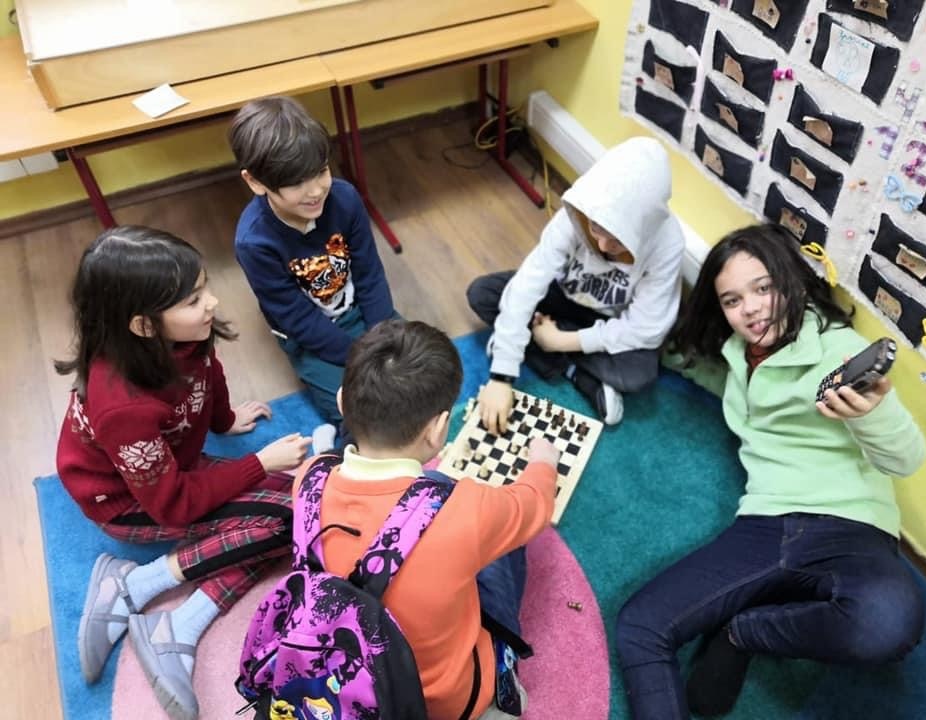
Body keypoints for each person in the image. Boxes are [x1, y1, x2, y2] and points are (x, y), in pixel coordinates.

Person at [615, 224, 926, 720]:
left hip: (852, 526)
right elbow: (707, 372)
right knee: (640, 627)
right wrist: (627, 339)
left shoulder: (839, 352)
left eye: (764, 288)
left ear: (793, 281)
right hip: (765, 525)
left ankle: (745, 630)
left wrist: (871, 413)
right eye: (733, 300)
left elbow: (906, 459)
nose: (751, 309)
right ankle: (751, 612)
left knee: (886, 625)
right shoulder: (738, 355)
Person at [55, 226, 312, 720]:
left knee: (305, 505)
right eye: (194, 299)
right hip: (128, 504)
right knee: (289, 520)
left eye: (204, 286)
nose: (212, 302)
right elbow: (173, 505)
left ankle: (148, 600)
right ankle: (147, 594)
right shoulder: (122, 405)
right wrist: (259, 463)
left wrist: (224, 420)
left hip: (174, 470)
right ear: (143, 325)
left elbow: (208, 374)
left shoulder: (183, 336)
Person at [290, 319, 560, 719]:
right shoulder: (464, 509)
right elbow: (534, 505)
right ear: (437, 430)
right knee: (501, 538)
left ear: (342, 401)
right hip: (443, 702)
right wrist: (543, 462)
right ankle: (500, 696)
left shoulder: (308, 477)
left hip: (337, 681)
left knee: (438, 491)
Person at [466, 136, 685, 431]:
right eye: (596, 228)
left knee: (639, 374)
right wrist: (501, 376)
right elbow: (529, 282)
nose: (603, 246)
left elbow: (647, 328)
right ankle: (579, 374)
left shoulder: (668, 243)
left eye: (618, 240)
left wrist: (560, 341)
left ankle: (542, 348)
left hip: (608, 318)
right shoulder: (580, 212)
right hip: (560, 297)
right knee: (484, 293)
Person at [229, 95, 397, 448]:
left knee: (414, 377)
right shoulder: (254, 241)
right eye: (297, 183)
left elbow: (369, 272)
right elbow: (295, 318)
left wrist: (379, 334)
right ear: (256, 182)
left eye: (321, 171)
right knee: (358, 416)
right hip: (311, 336)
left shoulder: (345, 198)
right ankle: (327, 449)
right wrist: (359, 356)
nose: (317, 190)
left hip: (358, 309)